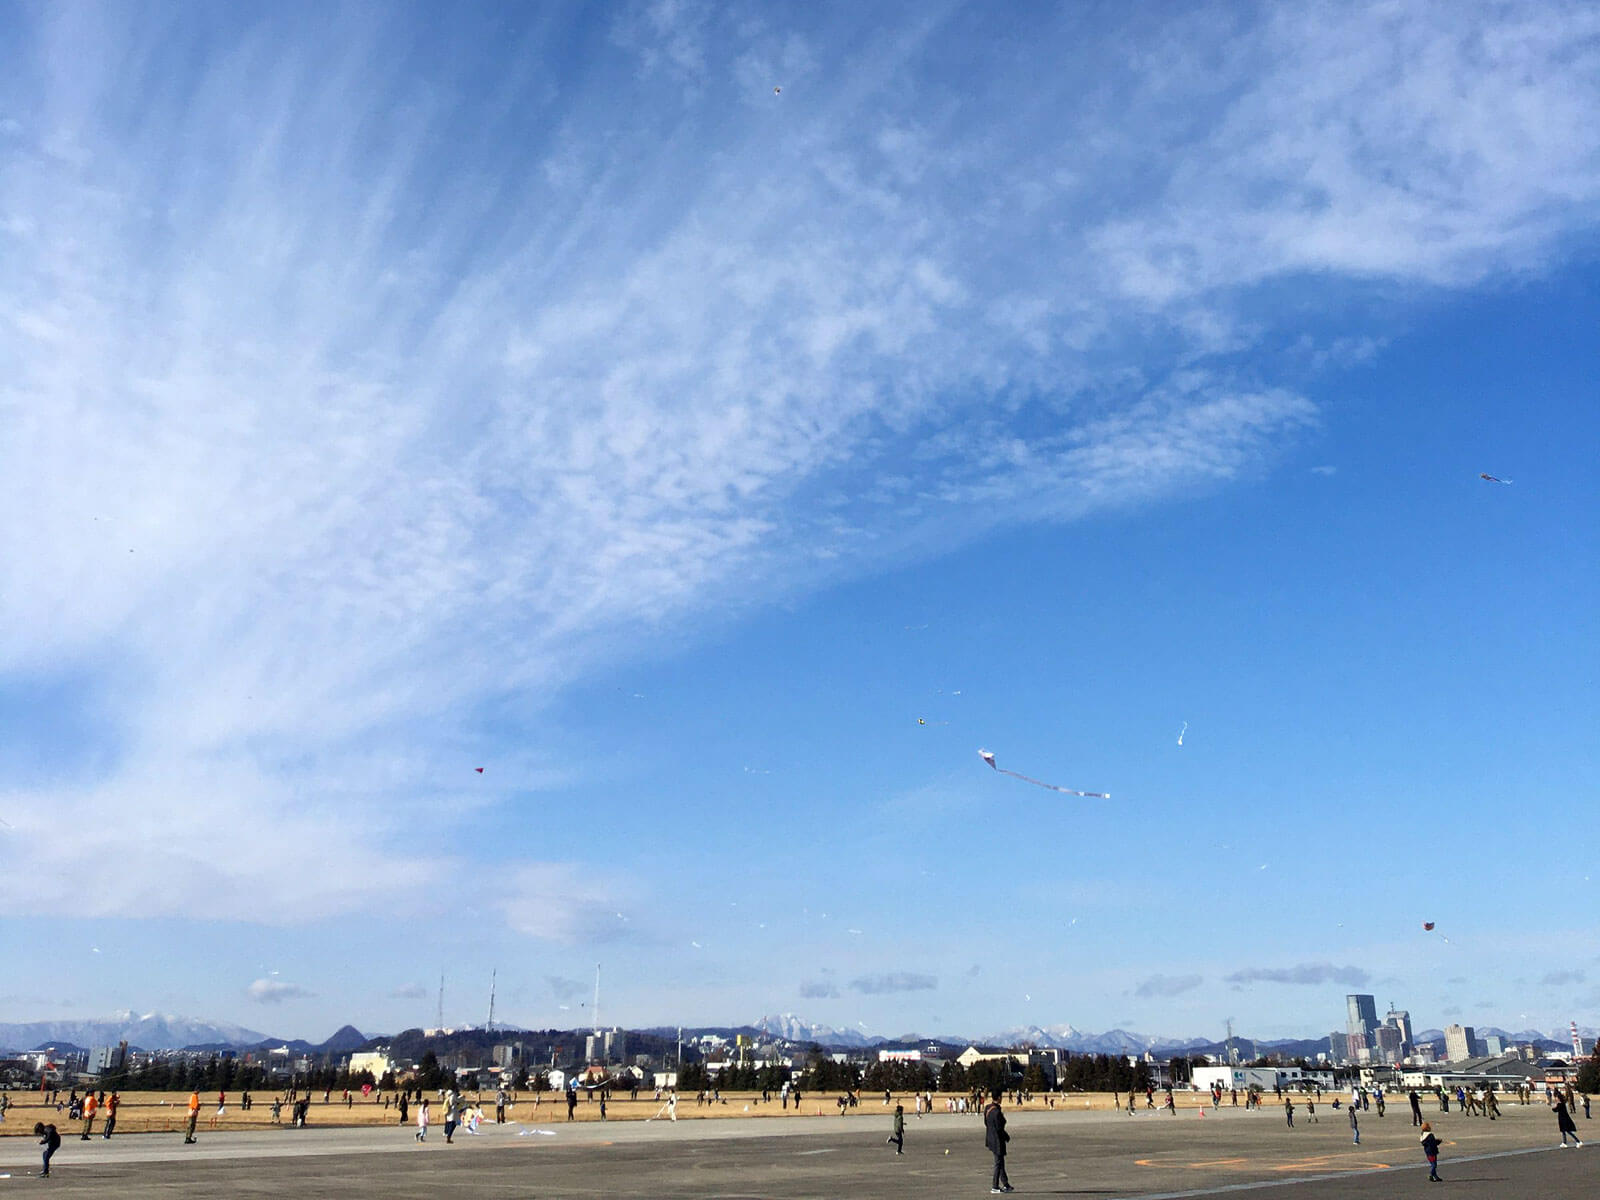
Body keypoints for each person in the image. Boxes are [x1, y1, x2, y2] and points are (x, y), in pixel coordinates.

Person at [984, 1089, 1013, 1194]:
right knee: (998, 1163)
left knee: (1000, 1162)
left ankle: (1006, 1184)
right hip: (997, 1140)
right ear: (999, 1098)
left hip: (990, 1138)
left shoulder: (988, 1108)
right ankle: (995, 1186)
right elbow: (999, 1128)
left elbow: (986, 1123)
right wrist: (1006, 1136)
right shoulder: (996, 1112)